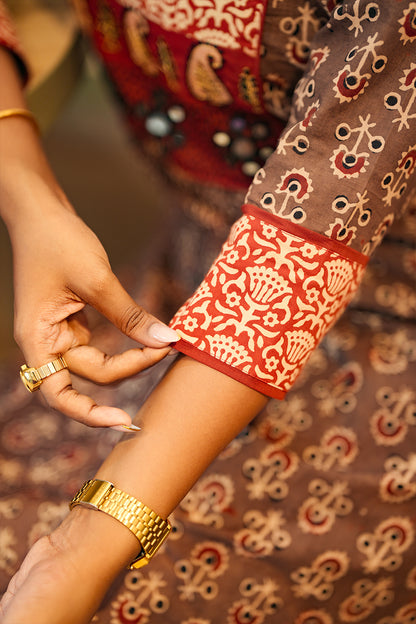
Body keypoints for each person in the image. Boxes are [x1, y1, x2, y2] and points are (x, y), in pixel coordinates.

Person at [0, 1, 415, 622]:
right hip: (182, 283)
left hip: (385, 351)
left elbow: (303, 244)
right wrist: (33, 203)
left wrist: (77, 552)